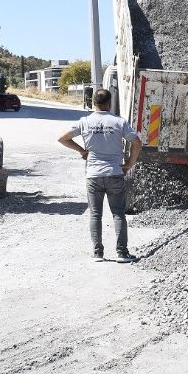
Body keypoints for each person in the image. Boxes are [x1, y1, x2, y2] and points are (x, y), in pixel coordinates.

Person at [58, 88, 142, 263]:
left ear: (93, 103)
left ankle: (98, 253)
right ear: (110, 103)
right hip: (114, 173)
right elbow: (136, 142)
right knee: (118, 214)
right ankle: (122, 253)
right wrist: (129, 164)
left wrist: (82, 150)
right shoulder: (119, 122)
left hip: (93, 175)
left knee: (95, 214)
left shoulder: (85, 122)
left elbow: (62, 138)